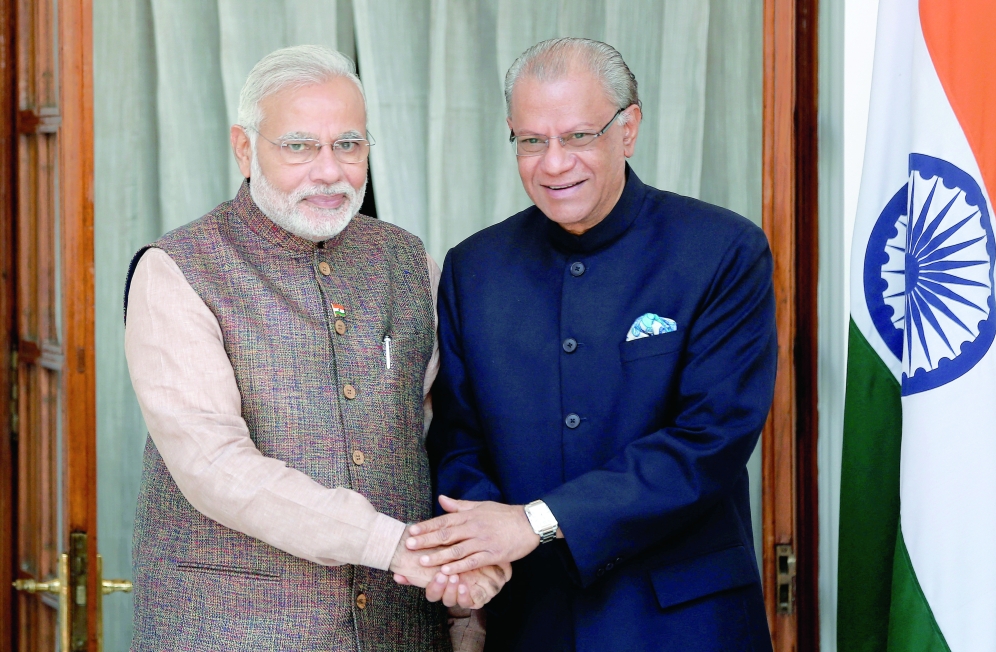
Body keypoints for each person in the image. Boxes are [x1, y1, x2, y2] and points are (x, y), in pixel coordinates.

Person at [124, 45, 504, 651]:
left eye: (349, 145)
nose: (329, 171)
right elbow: (212, 465)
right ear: (245, 149)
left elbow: (449, 431)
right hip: (234, 630)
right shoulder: (178, 270)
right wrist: (394, 544)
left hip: (399, 627)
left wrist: (465, 600)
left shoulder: (405, 260)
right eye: (298, 146)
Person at [404, 38, 777, 650]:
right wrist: (477, 545)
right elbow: (459, 435)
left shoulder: (723, 251)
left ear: (627, 129)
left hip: (684, 622)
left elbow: (707, 441)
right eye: (531, 141)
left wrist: (531, 523)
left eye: (578, 136)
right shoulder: (475, 268)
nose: (554, 164)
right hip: (532, 620)